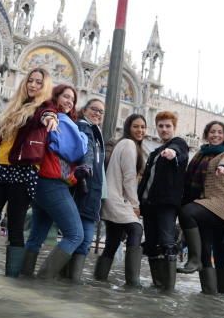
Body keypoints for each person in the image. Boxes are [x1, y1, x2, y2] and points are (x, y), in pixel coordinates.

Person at [0, 68, 54, 277]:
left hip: (23, 171)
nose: (33, 85)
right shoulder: (13, 108)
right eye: (31, 81)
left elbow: (46, 114)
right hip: (0, 170)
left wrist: (50, 119)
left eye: (39, 82)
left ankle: (12, 279)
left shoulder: (42, 108)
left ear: (44, 87)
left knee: (15, 227)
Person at [23, 83, 88, 280]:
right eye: (66, 97)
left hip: (42, 184)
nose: (69, 101)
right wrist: (83, 138)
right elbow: (77, 150)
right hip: (53, 183)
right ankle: (44, 280)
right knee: (76, 235)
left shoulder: (53, 117)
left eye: (73, 99)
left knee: (36, 238)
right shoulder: (58, 119)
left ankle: (23, 279)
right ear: (56, 97)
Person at [177, 121, 224, 294]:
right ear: (206, 135)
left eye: (219, 132)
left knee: (186, 212)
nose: (215, 135)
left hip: (218, 203)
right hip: (203, 204)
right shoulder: (199, 155)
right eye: (212, 132)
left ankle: (193, 260)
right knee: (205, 249)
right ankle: (210, 294)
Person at [138, 111, 189, 292]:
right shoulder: (153, 154)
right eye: (161, 126)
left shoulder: (179, 144)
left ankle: (168, 287)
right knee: (151, 243)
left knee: (167, 241)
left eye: (168, 126)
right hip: (149, 203)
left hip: (166, 203)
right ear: (156, 127)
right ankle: (157, 283)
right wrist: (138, 202)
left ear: (174, 128)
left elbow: (180, 152)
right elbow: (145, 181)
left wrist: (172, 152)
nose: (164, 129)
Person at [95, 115, 148, 286]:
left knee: (112, 241)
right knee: (136, 229)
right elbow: (129, 176)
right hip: (117, 198)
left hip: (112, 197)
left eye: (142, 127)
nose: (140, 130)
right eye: (135, 127)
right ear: (128, 128)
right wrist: (135, 204)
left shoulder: (126, 144)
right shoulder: (128, 144)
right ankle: (132, 281)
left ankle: (99, 279)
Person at [69, 98, 106, 283]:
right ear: (85, 110)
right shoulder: (84, 127)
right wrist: (86, 167)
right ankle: (67, 280)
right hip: (84, 189)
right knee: (81, 239)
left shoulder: (95, 131)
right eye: (94, 109)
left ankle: (66, 279)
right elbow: (88, 152)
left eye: (101, 112)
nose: (97, 113)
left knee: (82, 240)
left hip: (92, 192)